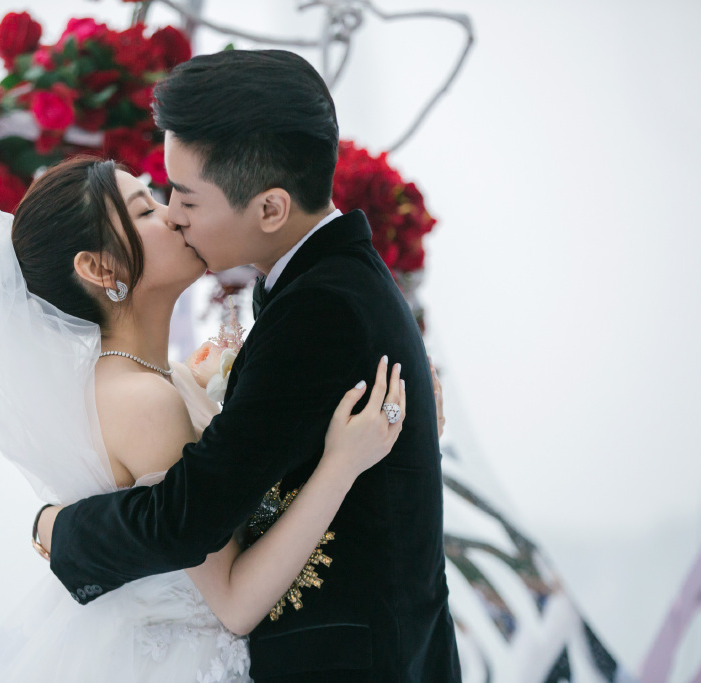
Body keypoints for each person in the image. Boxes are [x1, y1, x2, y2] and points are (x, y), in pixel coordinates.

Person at [36, 49, 462, 682]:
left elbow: (187, 517)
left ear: (269, 209)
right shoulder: (327, 285)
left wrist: (58, 531)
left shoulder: (322, 310)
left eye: (183, 198)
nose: (173, 215)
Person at [0, 156, 407, 681]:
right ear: (100, 269)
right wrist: (342, 462)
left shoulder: (161, 377)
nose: (173, 213)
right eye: (145, 210)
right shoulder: (143, 402)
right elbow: (234, 603)